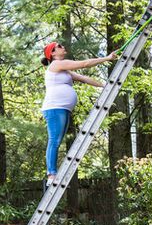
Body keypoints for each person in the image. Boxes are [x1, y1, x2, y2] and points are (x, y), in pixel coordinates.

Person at [41, 41, 117, 184]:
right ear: (52, 53)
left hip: (63, 109)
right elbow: (84, 64)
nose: (63, 47)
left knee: (57, 140)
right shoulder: (56, 64)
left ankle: (52, 173)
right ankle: (51, 174)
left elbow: (84, 78)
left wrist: (104, 85)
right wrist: (107, 58)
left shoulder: (64, 71)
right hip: (54, 108)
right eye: (59, 46)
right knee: (54, 140)